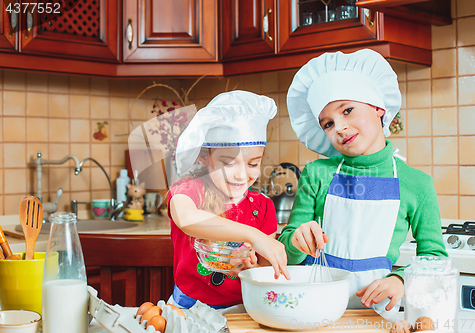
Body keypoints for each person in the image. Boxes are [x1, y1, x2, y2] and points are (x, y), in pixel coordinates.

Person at [279, 49, 448, 320]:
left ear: (378, 107)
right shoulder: (316, 174)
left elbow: (435, 259)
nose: (340, 128)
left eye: (347, 110)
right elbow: (286, 248)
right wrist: (296, 242)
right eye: (328, 124)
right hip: (311, 308)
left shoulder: (417, 184)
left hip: (375, 314)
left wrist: (401, 280)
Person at [163, 90, 290, 311]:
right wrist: (253, 235)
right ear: (205, 157)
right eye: (229, 163)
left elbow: (264, 265)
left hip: (244, 310)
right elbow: (187, 218)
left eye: (252, 164)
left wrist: (251, 266)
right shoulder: (187, 191)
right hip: (189, 310)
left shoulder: (263, 206)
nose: (242, 175)